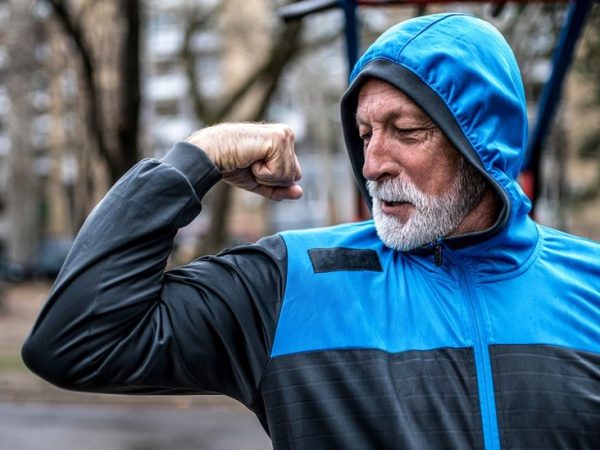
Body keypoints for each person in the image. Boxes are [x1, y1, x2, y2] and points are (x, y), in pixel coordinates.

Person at [22, 12, 600, 450]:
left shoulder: (590, 283)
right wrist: (197, 158)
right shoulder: (292, 282)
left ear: (483, 145)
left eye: (405, 130)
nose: (374, 163)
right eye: (365, 134)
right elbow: (75, 340)